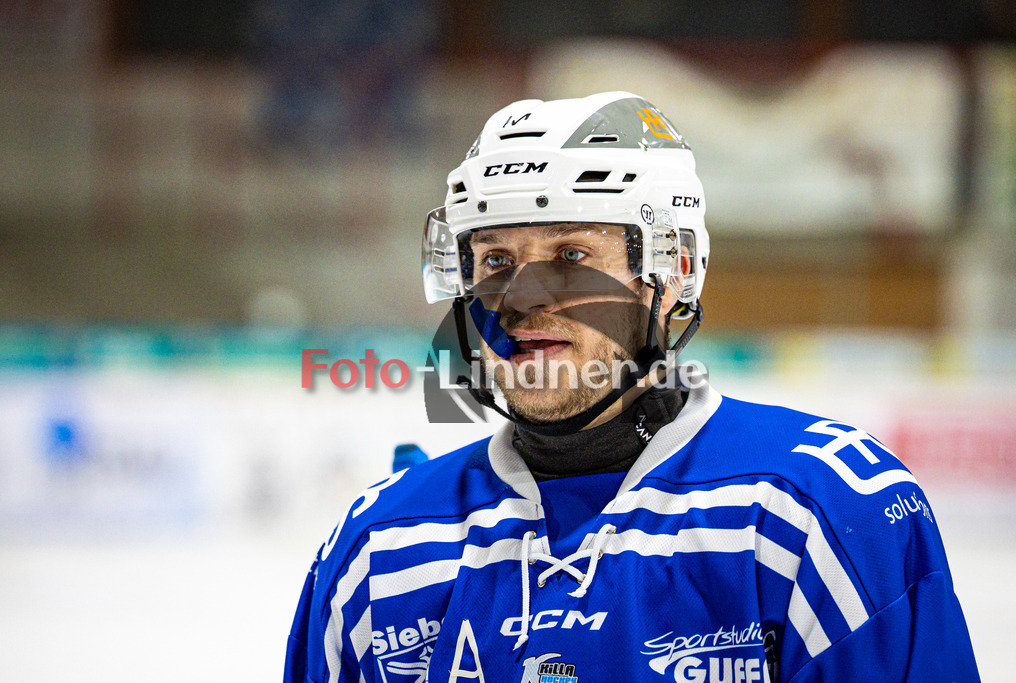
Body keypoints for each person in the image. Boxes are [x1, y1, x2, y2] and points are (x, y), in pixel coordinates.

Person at [284, 91, 979, 682]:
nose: (519, 301)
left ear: (672, 270)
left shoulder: (815, 515)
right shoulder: (380, 549)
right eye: (495, 258)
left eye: (572, 255)